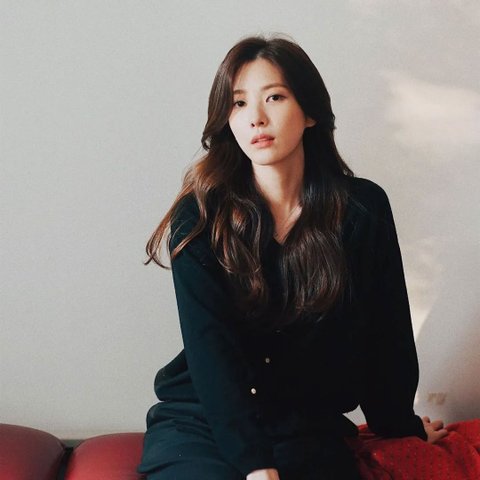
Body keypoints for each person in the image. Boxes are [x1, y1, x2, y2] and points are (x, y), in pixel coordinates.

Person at [137, 35, 448, 480]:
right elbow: (211, 352)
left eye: (274, 97)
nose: (256, 118)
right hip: (203, 421)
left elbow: (387, 331)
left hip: (304, 426)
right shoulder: (201, 215)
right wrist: (255, 464)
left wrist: (400, 425)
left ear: (310, 112)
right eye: (239, 103)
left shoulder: (361, 208)